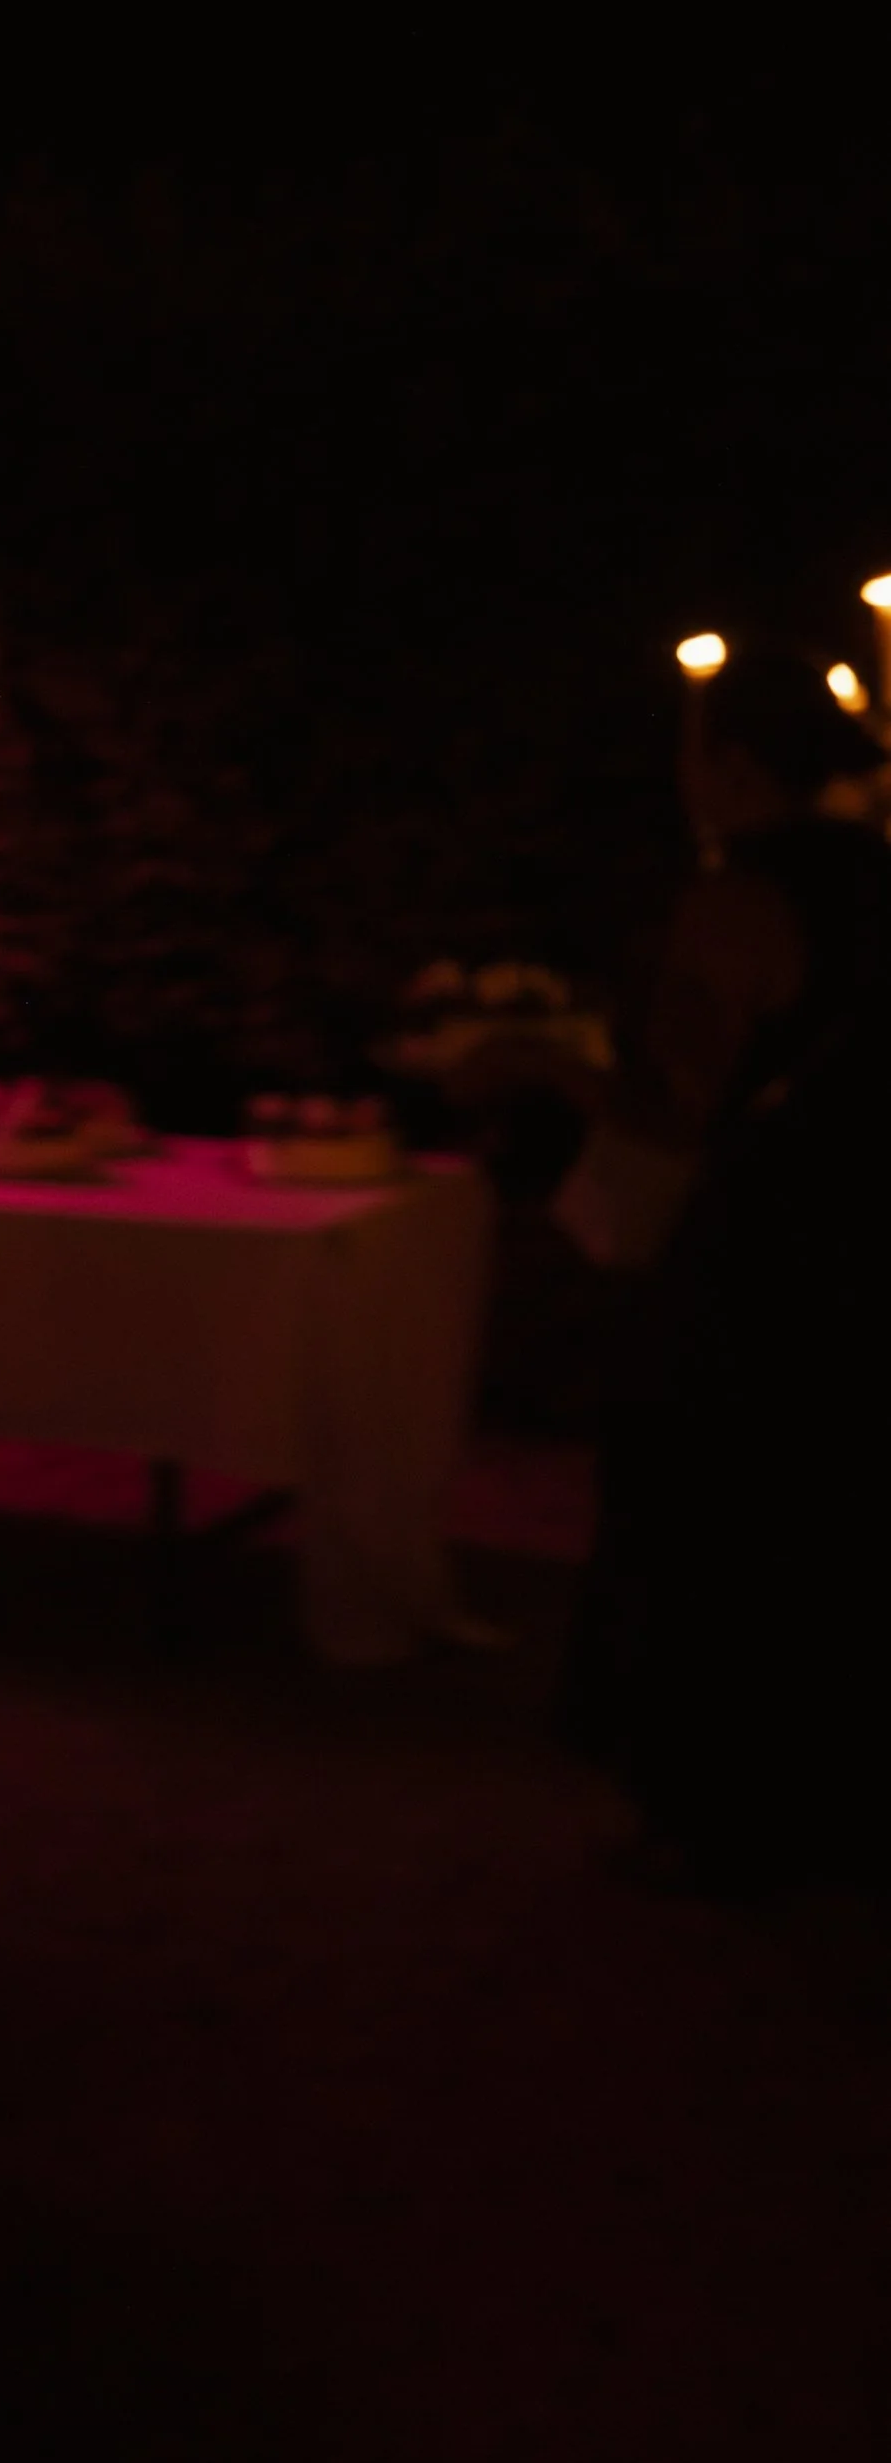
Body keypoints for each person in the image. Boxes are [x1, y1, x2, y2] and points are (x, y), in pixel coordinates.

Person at [456, 643, 891, 1890]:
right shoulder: (877, 874)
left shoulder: (737, 902)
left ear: (738, 766)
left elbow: (669, 1110)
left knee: (699, 1496)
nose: (681, 776)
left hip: (767, 1246)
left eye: (693, 752)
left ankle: (698, 1796)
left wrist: (534, 1063)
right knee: (833, 1500)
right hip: (867, 1233)